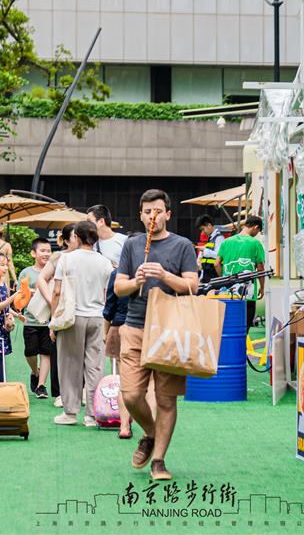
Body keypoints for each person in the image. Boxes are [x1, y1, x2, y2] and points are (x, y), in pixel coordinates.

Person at [115, 189, 199, 481]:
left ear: (168, 214)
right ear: (141, 215)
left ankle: (159, 460)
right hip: (136, 326)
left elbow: (192, 285)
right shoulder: (132, 245)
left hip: (170, 329)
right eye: (148, 212)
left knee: (166, 400)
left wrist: (163, 276)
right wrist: (135, 280)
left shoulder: (183, 245)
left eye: (158, 211)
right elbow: (119, 287)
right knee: (131, 395)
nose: (153, 216)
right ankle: (150, 432)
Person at [51, 221, 113, 427]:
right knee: (95, 366)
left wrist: (53, 321)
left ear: (76, 236)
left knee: (69, 364)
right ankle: (93, 414)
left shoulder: (66, 259)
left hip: (72, 316)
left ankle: (70, 412)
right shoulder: (105, 262)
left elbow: (57, 292)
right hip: (97, 316)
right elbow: (107, 294)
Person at [35, 224, 77, 408]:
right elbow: (41, 279)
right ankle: (59, 392)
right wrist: (51, 301)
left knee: (79, 353)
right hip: (62, 309)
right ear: (66, 240)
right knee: (58, 350)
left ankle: (80, 391)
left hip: (82, 309)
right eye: (76, 236)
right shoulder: (59, 256)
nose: (80, 239)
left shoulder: (90, 255)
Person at [215, 215, 265, 328]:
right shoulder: (255, 243)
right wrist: (262, 287)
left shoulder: (226, 242)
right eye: (258, 231)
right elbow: (260, 268)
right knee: (245, 325)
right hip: (248, 293)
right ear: (256, 227)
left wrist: (224, 279)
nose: (257, 234)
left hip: (227, 292)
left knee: (228, 325)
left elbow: (216, 263)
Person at [18, 238, 53, 398]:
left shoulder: (54, 271)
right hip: (30, 319)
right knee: (30, 352)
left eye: (48, 251)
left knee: (46, 352)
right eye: (42, 250)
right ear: (34, 253)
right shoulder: (26, 272)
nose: (46, 254)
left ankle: (41, 385)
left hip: (49, 320)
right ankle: (35, 372)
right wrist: (32, 292)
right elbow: (19, 297)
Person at [103, 269, 133, 439]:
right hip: (150, 326)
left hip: (120, 325)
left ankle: (124, 425)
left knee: (124, 379)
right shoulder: (155, 268)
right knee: (150, 382)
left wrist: (105, 332)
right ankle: (148, 427)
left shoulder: (118, 273)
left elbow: (110, 304)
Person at [0, 253, 21, 383]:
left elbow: (5, 306)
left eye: (6, 265)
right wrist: (15, 296)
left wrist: (17, 315)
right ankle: (1, 386)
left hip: (3, 323)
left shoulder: (3, 282)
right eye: (2, 265)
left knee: (1, 354)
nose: (6, 268)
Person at [196, 215, 225, 284]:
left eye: (203, 229)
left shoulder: (219, 238)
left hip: (215, 277)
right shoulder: (210, 239)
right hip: (207, 277)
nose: (202, 232)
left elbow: (219, 256)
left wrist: (205, 250)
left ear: (209, 225)